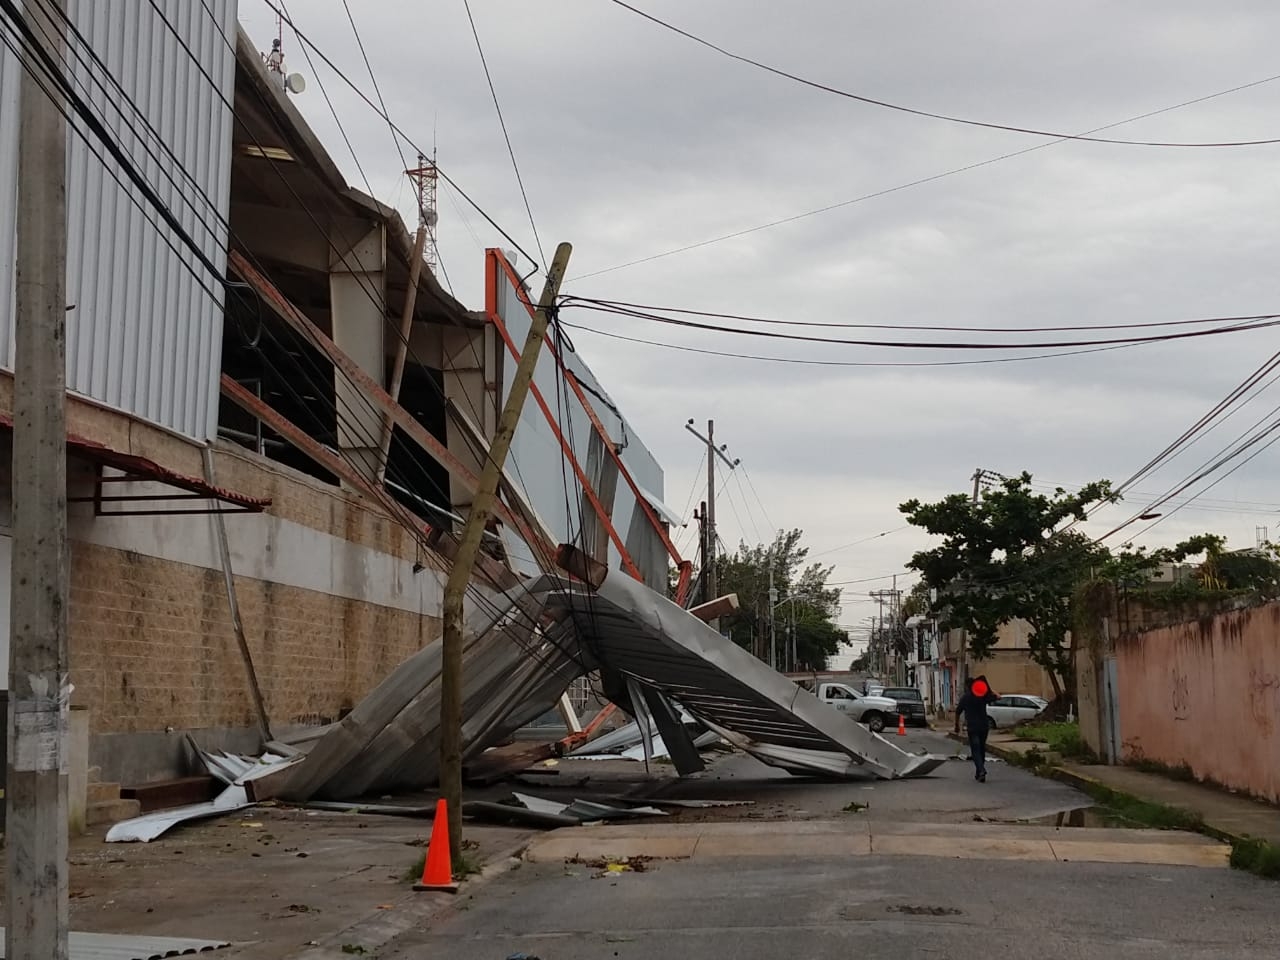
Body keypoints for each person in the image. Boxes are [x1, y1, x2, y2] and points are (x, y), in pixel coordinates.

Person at [953, 675, 998, 782]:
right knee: (981, 749)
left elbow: (958, 712)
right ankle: (979, 773)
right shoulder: (982, 696)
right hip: (984, 727)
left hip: (973, 727)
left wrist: (956, 725)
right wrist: (989, 689)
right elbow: (997, 696)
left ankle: (981, 770)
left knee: (976, 750)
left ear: (967, 686)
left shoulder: (965, 698)